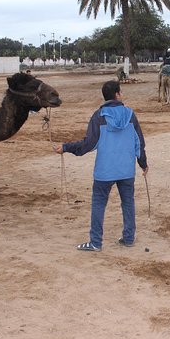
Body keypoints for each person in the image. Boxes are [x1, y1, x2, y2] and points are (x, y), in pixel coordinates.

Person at [54, 80, 148, 252]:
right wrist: (143, 164)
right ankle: (128, 238)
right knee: (128, 202)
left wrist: (66, 147)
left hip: (105, 171)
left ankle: (95, 242)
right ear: (117, 94)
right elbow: (139, 142)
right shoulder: (130, 114)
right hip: (126, 170)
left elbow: (88, 144)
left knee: (99, 203)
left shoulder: (99, 116)